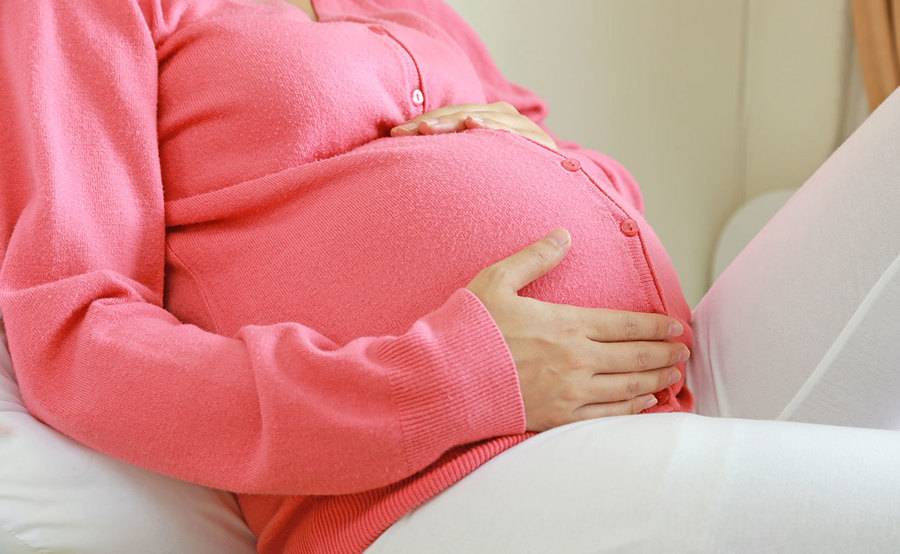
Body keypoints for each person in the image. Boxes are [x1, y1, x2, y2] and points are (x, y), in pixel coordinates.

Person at [0, 1, 896, 553]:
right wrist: (448, 381)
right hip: (450, 482)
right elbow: (76, 335)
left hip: (675, 375)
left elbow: (578, 166)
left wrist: (520, 141)